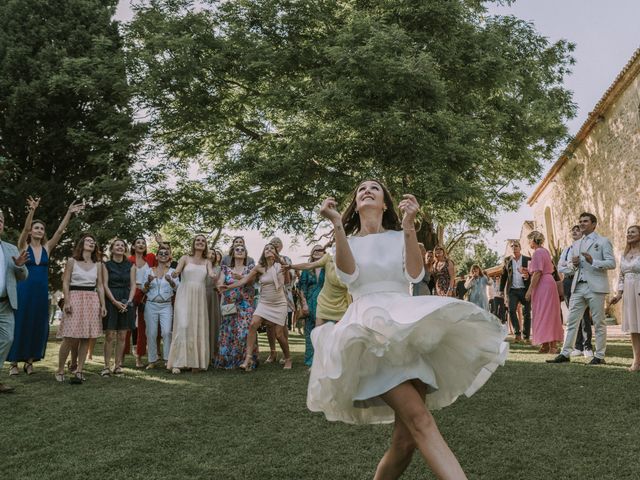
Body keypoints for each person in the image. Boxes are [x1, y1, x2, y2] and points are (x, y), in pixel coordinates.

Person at [308, 180, 506, 479]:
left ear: (385, 203)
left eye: (374, 188)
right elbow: (350, 276)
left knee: (405, 441)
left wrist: (410, 225)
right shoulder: (348, 240)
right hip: (370, 333)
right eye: (361, 189)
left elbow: (415, 274)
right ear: (355, 203)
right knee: (421, 421)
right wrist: (336, 223)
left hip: (409, 328)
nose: (367, 190)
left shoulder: (401, 235)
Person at [8, 196, 83, 376]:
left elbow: (59, 230)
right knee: (21, 323)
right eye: (36, 228)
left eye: (42, 228)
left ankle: (29, 361)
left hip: (41, 293)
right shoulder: (22, 246)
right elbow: (25, 228)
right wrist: (32, 210)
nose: (39, 230)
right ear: (31, 231)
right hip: (24, 290)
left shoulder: (47, 248)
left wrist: (69, 213)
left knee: (36, 324)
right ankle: (13, 364)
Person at [548, 212, 615, 365]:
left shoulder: (603, 241)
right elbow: (570, 269)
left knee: (599, 322)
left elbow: (611, 263)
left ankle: (599, 355)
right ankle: (565, 353)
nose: (582, 224)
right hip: (577, 287)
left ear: (593, 224)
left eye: (585, 221)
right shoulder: (576, 244)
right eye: (580, 221)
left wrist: (593, 261)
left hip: (596, 288)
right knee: (572, 321)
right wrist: (574, 264)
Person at [220, 243, 293, 370]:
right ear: (263, 253)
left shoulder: (281, 265)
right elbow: (244, 280)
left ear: (276, 252)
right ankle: (248, 358)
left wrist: (280, 261)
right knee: (253, 324)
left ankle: (288, 358)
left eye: (272, 248)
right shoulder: (259, 267)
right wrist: (228, 287)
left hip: (279, 303)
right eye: (266, 248)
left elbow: (286, 282)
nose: (269, 250)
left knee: (279, 334)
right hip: (264, 302)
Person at [56, 234, 106, 384]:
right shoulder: (72, 261)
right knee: (69, 336)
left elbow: (100, 286)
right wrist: (67, 301)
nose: (91, 243)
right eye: (88, 240)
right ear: (82, 243)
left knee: (86, 337)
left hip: (92, 299)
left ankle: (79, 370)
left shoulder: (98, 264)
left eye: (93, 241)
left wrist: (103, 305)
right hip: (74, 297)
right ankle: (60, 370)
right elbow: (65, 282)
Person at [167, 235, 217, 373]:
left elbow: (211, 273)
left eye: (203, 241)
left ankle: (195, 362)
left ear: (205, 245)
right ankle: (178, 362)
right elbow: (177, 271)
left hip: (199, 297)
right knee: (183, 326)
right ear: (193, 243)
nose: (200, 242)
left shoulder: (207, 261)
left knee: (197, 326)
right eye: (198, 240)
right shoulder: (185, 258)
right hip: (184, 294)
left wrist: (213, 275)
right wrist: (175, 274)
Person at [214, 243, 257, 369]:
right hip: (230, 304)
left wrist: (242, 277)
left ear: (245, 253)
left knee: (244, 332)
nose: (239, 251)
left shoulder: (250, 268)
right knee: (229, 332)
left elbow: (252, 282)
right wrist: (220, 286)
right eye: (236, 249)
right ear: (232, 253)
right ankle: (228, 361)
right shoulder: (226, 269)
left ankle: (246, 360)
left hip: (246, 304)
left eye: (242, 249)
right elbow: (220, 282)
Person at [0, 209, 29, 393]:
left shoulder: (10, 248)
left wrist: (19, 266)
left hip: (5, 303)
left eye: (1, 220)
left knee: (7, 339)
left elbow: (24, 276)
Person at [524, 232, 564, 354]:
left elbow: (537, 273)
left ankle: (551, 346)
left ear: (533, 241)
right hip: (548, 283)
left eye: (529, 240)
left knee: (544, 313)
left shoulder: (537, 252)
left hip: (543, 285)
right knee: (548, 313)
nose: (528, 243)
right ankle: (547, 345)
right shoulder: (545, 251)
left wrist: (530, 290)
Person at [101, 239, 136, 376]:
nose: (120, 247)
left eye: (122, 245)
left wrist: (129, 301)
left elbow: (133, 285)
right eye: (117, 245)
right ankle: (106, 366)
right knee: (110, 335)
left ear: (125, 249)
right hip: (111, 299)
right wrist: (114, 302)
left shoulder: (131, 266)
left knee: (122, 335)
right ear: (112, 249)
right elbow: (104, 284)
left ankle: (118, 366)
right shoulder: (106, 265)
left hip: (126, 300)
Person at [558, 225, 593, 357]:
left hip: (581, 282)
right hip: (567, 281)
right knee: (573, 314)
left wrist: (570, 267)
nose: (574, 232)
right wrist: (572, 267)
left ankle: (587, 346)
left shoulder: (586, 249)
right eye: (572, 230)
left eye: (577, 230)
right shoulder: (567, 250)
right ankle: (577, 346)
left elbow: (585, 266)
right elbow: (560, 267)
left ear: (582, 233)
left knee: (584, 313)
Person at [142, 246, 178, 369]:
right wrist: (147, 282)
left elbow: (177, 288)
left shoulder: (173, 272)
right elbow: (144, 288)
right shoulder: (149, 271)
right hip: (151, 304)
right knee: (151, 333)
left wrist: (170, 281)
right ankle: (152, 360)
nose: (163, 255)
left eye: (166, 253)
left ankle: (168, 359)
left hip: (166, 305)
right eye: (160, 253)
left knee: (167, 332)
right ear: (156, 256)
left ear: (169, 257)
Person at [609, 225, 640, 371]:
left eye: (633, 232)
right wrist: (619, 294)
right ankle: (636, 361)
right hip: (629, 292)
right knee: (634, 328)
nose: (629, 234)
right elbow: (621, 276)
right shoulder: (624, 254)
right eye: (628, 232)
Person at [127, 237, 156, 368]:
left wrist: (161, 243)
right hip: (131, 293)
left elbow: (165, 258)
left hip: (145, 294)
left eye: (143, 243)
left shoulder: (149, 258)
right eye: (138, 242)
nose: (141, 244)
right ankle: (121, 357)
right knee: (127, 327)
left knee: (142, 327)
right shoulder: (128, 260)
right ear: (133, 246)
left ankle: (139, 358)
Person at [297, 245, 326, 367]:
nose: (317, 252)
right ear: (311, 253)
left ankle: (325, 359)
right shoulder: (306, 270)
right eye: (315, 250)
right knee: (310, 330)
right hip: (310, 301)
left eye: (320, 250)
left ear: (324, 254)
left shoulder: (328, 267)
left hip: (325, 301)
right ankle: (311, 360)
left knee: (325, 329)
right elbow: (302, 288)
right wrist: (304, 304)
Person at [499, 241, 532, 344]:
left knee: (527, 313)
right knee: (512, 311)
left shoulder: (528, 259)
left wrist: (528, 277)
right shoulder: (507, 260)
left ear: (520, 247)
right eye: (512, 246)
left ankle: (526, 336)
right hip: (512, 290)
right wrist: (501, 290)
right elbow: (504, 276)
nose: (514, 248)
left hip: (525, 290)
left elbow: (532, 274)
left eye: (516, 246)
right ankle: (517, 334)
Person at [206, 248, 223, 363]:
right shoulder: (200, 267)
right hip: (200, 295)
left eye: (214, 253)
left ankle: (213, 354)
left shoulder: (219, 268)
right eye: (209, 253)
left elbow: (219, 283)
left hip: (213, 296)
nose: (211, 255)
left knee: (213, 324)